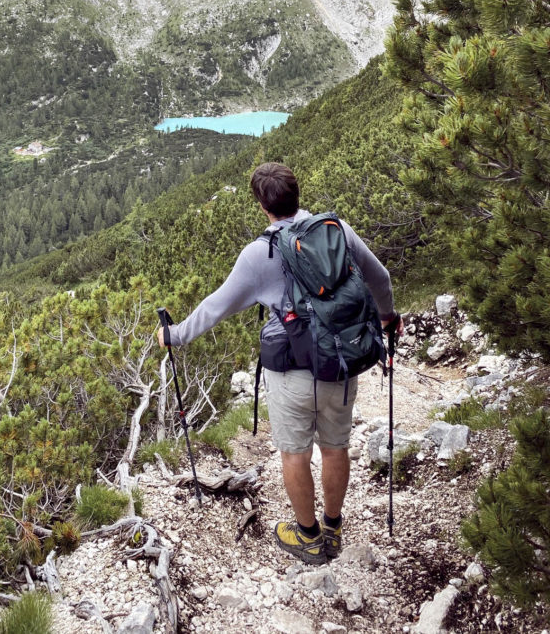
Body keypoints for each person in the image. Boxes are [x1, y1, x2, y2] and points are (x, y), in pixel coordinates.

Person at [157, 161, 403, 565]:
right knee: (335, 446)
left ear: (262, 206)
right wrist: (387, 317)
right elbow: (381, 279)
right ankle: (333, 526)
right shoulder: (336, 230)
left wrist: (175, 334)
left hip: (291, 371)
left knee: (294, 453)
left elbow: (216, 307)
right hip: (340, 363)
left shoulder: (260, 254)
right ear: (297, 194)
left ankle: (307, 536)